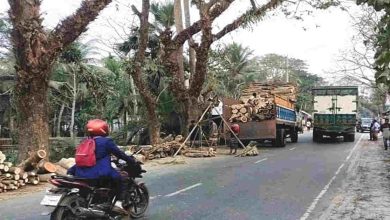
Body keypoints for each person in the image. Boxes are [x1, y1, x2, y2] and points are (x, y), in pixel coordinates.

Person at [67, 119, 136, 201]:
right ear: (104, 129)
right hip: (99, 174)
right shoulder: (106, 142)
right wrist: (131, 161)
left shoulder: (84, 142)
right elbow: (120, 154)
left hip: (79, 173)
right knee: (122, 178)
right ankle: (118, 203)